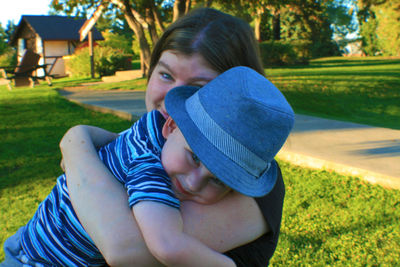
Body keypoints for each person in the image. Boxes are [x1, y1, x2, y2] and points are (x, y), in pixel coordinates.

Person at [1, 66, 294, 267]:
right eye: (194, 157)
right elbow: (166, 244)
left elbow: (101, 139)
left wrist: (78, 138)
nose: (193, 183)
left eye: (218, 181)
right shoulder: (150, 172)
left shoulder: (149, 131)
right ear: (171, 124)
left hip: (27, 242)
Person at [62, 7, 287, 266]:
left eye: (197, 88)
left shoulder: (248, 178)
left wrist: (75, 147)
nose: (171, 100)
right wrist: (79, 139)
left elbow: (125, 249)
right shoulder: (151, 142)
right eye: (166, 75)